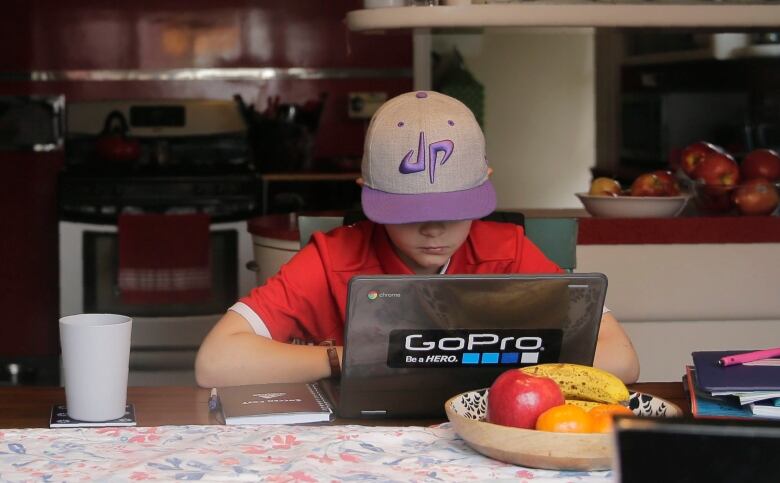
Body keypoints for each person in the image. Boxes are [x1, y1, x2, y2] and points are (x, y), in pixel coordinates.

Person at [195, 91, 640, 388]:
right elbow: (214, 362)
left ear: (483, 183)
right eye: (410, 214)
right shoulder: (333, 256)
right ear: (367, 191)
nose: (434, 230)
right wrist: (349, 358)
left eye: (453, 211)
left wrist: (481, 362)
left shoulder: (509, 250)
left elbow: (621, 359)